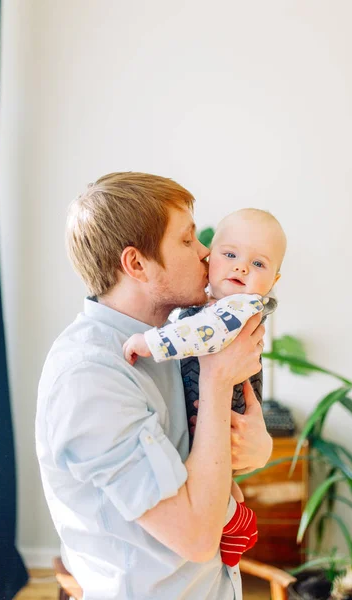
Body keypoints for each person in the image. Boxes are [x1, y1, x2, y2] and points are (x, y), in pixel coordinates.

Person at [36, 172, 273, 600]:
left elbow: (204, 459)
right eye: (187, 240)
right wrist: (218, 379)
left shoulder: (175, 336)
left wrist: (257, 448)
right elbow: (197, 538)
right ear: (137, 265)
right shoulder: (90, 376)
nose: (206, 254)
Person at [123, 208, 286, 567]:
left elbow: (203, 335)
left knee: (216, 468)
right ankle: (233, 516)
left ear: (273, 280)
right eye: (230, 255)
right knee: (219, 474)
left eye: (257, 264)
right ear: (212, 260)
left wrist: (151, 343)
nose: (241, 268)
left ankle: (234, 521)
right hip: (208, 403)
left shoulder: (238, 308)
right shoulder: (210, 306)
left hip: (227, 407)